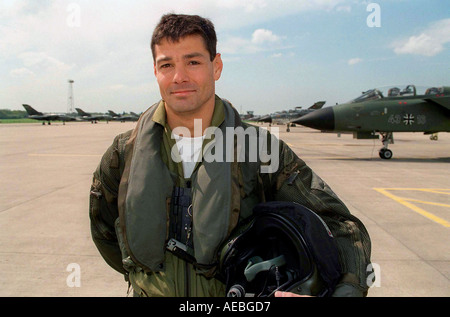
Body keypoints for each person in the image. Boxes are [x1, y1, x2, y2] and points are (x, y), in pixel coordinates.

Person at [89, 13, 371, 297]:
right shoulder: (123, 153)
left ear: (217, 66)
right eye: (167, 64)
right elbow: (104, 230)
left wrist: (347, 289)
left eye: (193, 61)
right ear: (155, 71)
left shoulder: (259, 150)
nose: (179, 77)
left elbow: (340, 225)